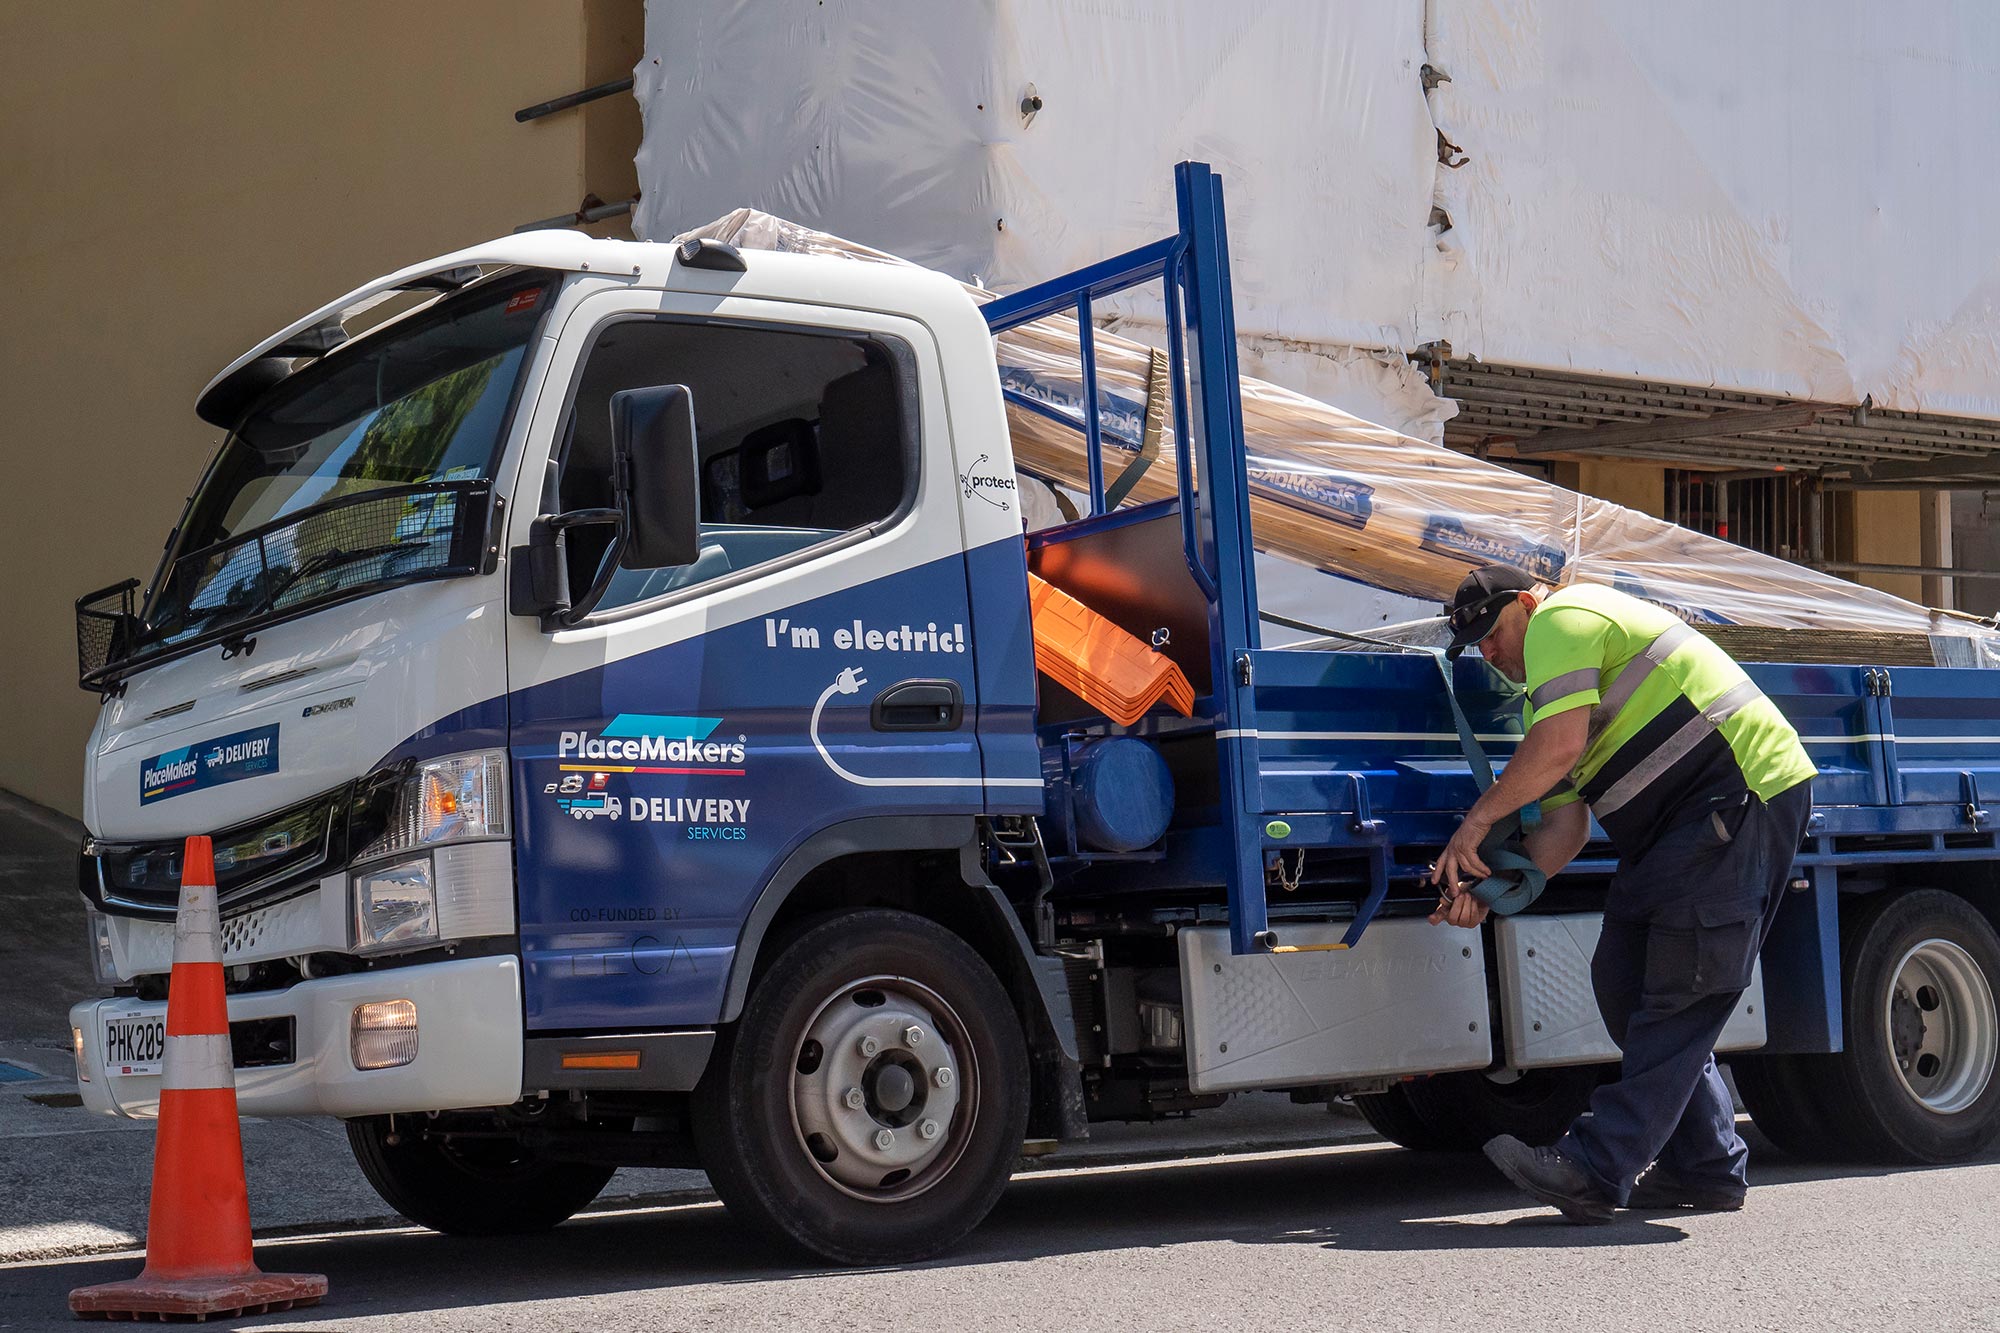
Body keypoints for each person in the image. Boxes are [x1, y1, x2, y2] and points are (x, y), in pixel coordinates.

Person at [1430, 565, 1816, 1223]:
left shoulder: (1566, 617)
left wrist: (1478, 820)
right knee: (1622, 978)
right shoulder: (1545, 701)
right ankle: (1706, 1163)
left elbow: (1558, 750)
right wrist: (1491, 892)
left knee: (1680, 987)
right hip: (1678, 825)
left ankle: (1597, 1166)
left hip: (1738, 790)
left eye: (1491, 632)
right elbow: (1564, 828)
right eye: (1477, 646)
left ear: (1525, 603)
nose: (1489, 653)